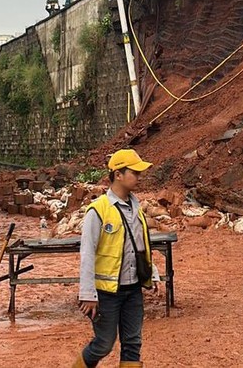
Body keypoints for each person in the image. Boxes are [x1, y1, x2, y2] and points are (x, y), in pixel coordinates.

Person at [73, 149, 154, 368]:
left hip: (132, 290)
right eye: (134, 172)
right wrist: (88, 294)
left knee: (132, 343)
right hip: (107, 293)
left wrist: (150, 273)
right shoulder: (98, 210)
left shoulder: (136, 207)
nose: (139, 177)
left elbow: (140, 245)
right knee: (103, 344)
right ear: (118, 174)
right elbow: (87, 253)